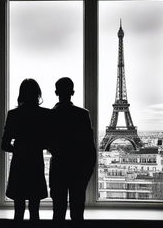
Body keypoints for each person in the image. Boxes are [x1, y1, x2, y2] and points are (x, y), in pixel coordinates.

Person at [1, 79, 50, 221]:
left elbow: (4, 145)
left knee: (18, 210)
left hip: (19, 165)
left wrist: (18, 149)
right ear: (38, 94)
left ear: (21, 94)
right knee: (35, 211)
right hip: (35, 164)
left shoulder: (13, 115)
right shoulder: (45, 114)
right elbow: (50, 142)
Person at [49, 77, 96, 221]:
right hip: (78, 169)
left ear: (56, 92)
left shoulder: (50, 115)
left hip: (58, 168)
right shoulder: (82, 114)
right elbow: (89, 145)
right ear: (73, 92)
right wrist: (88, 170)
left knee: (58, 212)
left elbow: (48, 143)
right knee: (77, 213)